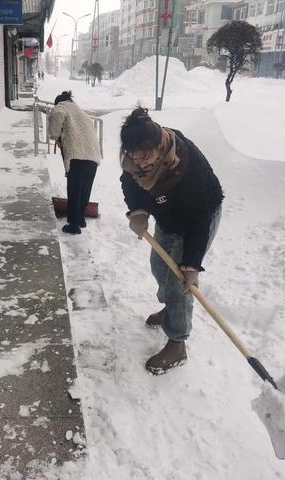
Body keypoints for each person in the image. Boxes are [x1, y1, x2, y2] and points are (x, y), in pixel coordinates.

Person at [119, 107, 223, 374]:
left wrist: (191, 266)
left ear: (158, 144)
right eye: (134, 156)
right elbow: (129, 182)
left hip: (198, 217)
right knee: (158, 265)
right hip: (167, 215)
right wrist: (138, 211)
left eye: (146, 156)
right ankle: (170, 309)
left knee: (178, 281)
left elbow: (199, 217)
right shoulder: (133, 160)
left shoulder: (184, 162)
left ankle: (177, 343)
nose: (141, 163)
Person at [49, 91, 101, 234]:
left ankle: (73, 225)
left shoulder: (62, 107)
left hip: (77, 155)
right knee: (84, 189)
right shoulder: (82, 113)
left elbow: (57, 116)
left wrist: (55, 134)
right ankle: (80, 218)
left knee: (74, 190)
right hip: (93, 156)